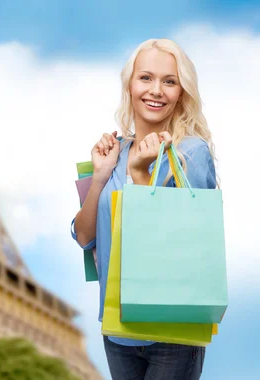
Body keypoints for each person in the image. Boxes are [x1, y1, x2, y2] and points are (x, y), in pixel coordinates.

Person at [70, 38, 218, 380]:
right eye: (146, 78)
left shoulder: (191, 153)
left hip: (172, 328)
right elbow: (84, 238)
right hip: (117, 326)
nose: (157, 90)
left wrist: (139, 174)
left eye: (170, 81)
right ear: (130, 85)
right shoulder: (112, 152)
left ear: (182, 92)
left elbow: (189, 241)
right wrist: (101, 176)